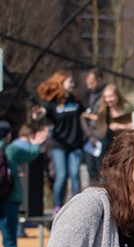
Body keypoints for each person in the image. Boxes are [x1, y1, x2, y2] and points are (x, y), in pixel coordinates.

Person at [0, 121, 48, 247]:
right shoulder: (10, 149)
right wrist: (37, 143)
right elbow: (31, 154)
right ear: (7, 135)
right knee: (10, 243)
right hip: (8, 200)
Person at [33, 70, 87, 212]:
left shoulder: (75, 101)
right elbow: (41, 114)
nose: (73, 84)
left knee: (75, 175)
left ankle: (78, 207)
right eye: (70, 81)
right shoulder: (52, 103)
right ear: (61, 83)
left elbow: (85, 115)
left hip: (75, 144)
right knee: (61, 176)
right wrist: (37, 114)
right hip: (59, 145)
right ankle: (57, 207)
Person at [82, 68, 106, 183]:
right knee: (91, 169)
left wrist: (91, 116)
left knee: (102, 168)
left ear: (99, 80)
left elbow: (102, 117)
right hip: (90, 138)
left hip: (102, 136)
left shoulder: (106, 96)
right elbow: (82, 116)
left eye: (92, 83)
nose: (89, 86)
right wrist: (88, 134)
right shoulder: (87, 96)